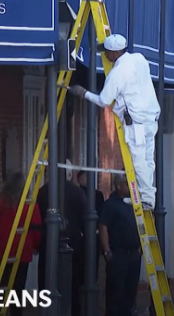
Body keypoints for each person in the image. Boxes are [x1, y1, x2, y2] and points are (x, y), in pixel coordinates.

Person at [70, 34, 161, 210]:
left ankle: (147, 200)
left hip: (137, 122)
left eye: (107, 52)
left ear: (116, 52)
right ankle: (149, 196)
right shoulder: (139, 59)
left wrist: (83, 93)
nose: (105, 55)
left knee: (139, 161)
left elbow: (104, 100)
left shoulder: (118, 73)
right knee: (148, 160)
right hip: (150, 117)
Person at [0, 173, 42, 316]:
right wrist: (36, 246)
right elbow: (36, 228)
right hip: (21, 250)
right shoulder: (30, 205)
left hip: (0, 250)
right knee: (18, 288)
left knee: (0, 286)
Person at [36, 168, 87, 316]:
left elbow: (37, 217)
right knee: (73, 286)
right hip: (74, 244)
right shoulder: (77, 192)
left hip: (48, 244)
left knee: (47, 283)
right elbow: (85, 220)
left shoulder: (43, 191)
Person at [99, 174, 142, 316]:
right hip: (118, 255)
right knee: (115, 294)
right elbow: (103, 227)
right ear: (119, 186)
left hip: (134, 255)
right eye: (128, 183)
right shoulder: (110, 204)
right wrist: (107, 252)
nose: (131, 186)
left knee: (130, 294)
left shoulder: (134, 203)